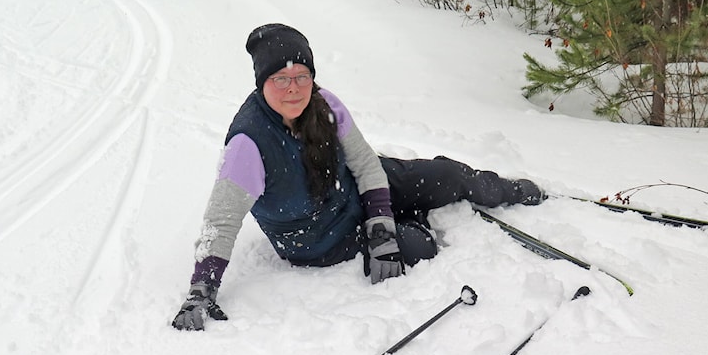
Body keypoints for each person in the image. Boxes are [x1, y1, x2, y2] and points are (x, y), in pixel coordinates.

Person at [171, 23, 545, 331]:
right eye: (280, 79)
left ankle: (506, 190)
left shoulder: (324, 103)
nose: (294, 88)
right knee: (417, 246)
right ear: (261, 83)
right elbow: (219, 223)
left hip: (350, 188)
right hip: (319, 237)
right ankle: (410, 218)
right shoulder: (247, 144)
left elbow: (365, 164)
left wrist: (379, 226)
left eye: (302, 76)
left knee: (445, 175)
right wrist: (202, 288)